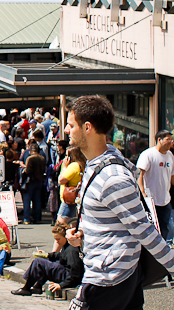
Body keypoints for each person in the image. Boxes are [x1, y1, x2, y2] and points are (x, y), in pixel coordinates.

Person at [65, 96, 174, 309]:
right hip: (114, 273)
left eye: (71, 125)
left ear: (87, 127)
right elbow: (113, 220)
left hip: (110, 278)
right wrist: (84, 235)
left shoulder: (113, 177)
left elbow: (144, 230)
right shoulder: (96, 165)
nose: (67, 130)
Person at [12, 223, 83, 297]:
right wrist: (47, 255)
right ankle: (37, 286)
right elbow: (59, 256)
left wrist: (61, 285)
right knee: (45, 262)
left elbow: (75, 273)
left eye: (58, 239)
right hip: (65, 272)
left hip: (67, 276)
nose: (57, 242)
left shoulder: (71, 250)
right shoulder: (67, 246)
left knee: (39, 262)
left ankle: (26, 288)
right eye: (55, 239)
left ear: (65, 237)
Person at [137, 130, 174, 243]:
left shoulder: (170, 156)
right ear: (159, 140)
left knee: (165, 228)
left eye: (171, 140)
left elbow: (172, 176)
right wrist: (143, 192)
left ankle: (164, 250)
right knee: (152, 229)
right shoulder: (148, 154)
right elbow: (140, 174)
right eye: (168, 139)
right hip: (151, 200)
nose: (170, 142)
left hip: (165, 199)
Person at [57, 146, 86, 225]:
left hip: (69, 199)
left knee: (61, 225)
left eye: (67, 155)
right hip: (77, 198)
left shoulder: (74, 166)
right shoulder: (83, 164)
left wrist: (64, 167)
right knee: (73, 225)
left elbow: (61, 180)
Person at [22, 144, 46, 224]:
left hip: (30, 181)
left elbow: (27, 171)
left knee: (27, 200)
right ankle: (37, 218)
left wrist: (23, 170)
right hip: (39, 180)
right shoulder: (42, 158)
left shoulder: (30, 158)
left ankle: (27, 218)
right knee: (37, 200)